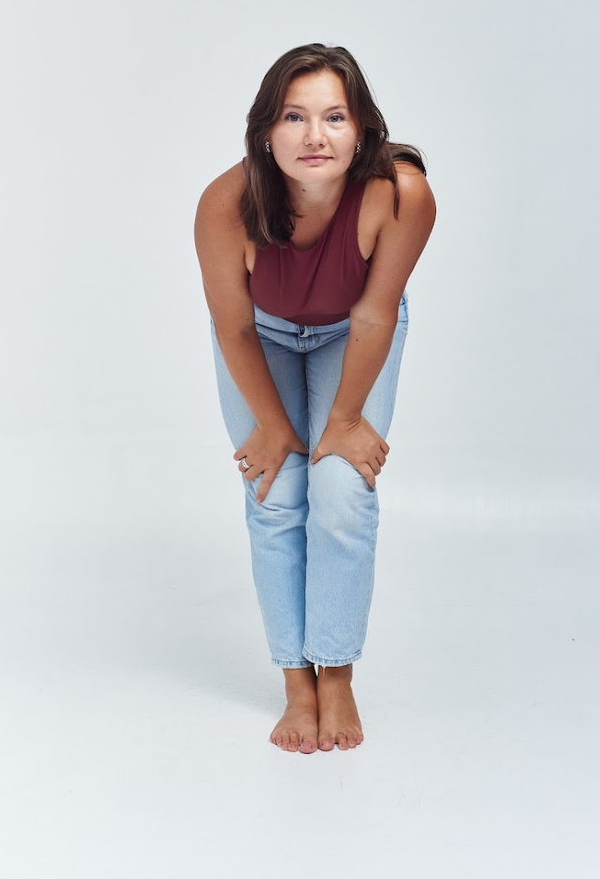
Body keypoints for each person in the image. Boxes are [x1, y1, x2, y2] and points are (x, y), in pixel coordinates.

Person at [194, 43, 435, 754]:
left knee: (341, 489)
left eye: (334, 116)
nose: (315, 136)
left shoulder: (402, 193)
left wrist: (346, 420)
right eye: (294, 117)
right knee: (275, 491)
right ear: (265, 131)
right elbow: (234, 327)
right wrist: (273, 428)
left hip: (352, 332)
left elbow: (375, 313)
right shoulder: (224, 203)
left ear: (362, 129)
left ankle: (337, 671)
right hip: (260, 335)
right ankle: (296, 680)